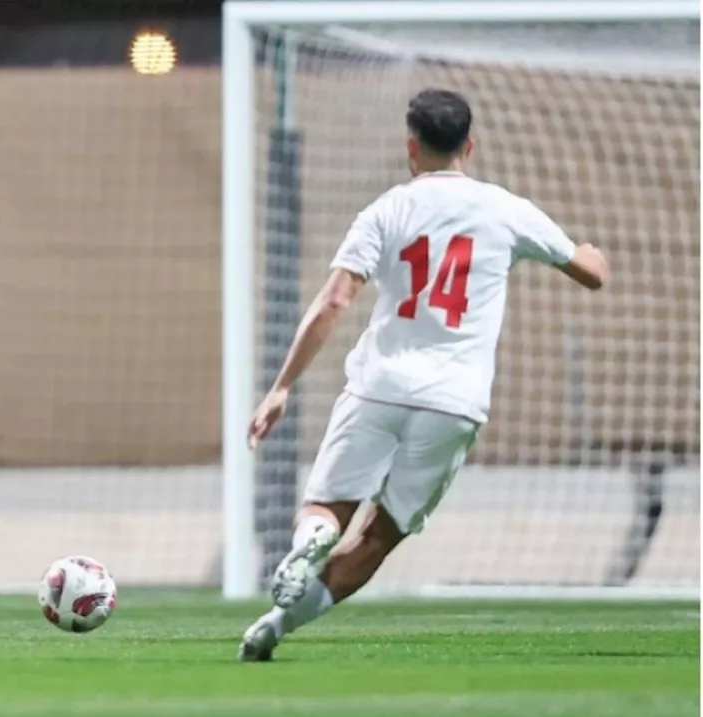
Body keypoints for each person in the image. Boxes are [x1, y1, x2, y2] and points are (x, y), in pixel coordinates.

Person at [238, 88, 610, 661]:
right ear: (471, 144)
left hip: (379, 387)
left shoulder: (387, 209)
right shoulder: (505, 208)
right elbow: (590, 273)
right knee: (378, 536)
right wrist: (593, 253)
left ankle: (310, 541)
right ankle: (275, 628)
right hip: (453, 402)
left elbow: (334, 301)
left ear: (411, 146)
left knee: (327, 510)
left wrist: (281, 386)